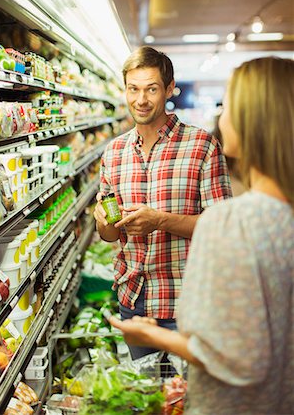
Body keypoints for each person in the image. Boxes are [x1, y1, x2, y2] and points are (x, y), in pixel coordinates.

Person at [109, 56, 294, 414]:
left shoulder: (231, 223)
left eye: (230, 104)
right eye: (133, 88)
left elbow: (234, 357)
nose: (221, 116)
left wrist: (152, 336)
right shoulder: (278, 217)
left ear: (251, 122)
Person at [94, 46, 232, 360]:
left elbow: (222, 228)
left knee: (188, 400)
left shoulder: (201, 146)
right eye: (134, 89)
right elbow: (110, 235)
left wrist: (161, 220)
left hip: (187, 302)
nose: (140, 99)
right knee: (147, 399)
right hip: (134, 302)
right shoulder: (114, 153)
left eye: (151, 89)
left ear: (169, 89)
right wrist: (104, 224)